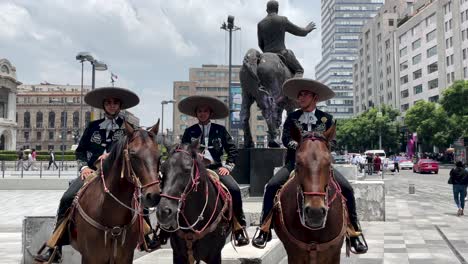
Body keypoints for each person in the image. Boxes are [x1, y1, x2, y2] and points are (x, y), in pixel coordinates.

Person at [34, 87, 163, 263]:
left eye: (115, 102)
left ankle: (145, 236)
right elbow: (80, 152)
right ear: (104, 105)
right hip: (92, 173)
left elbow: (136, 150)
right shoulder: (93, 126)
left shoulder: (129, 130)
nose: (111, 105)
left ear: (120, 106)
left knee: (140, 197)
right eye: (108, 102)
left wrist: (112, 157)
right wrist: (83, 168)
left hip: (118, 175)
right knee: (68, 197)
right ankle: (55, 246)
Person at [251, 78, 368, 254]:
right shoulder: (292, 118)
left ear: (315, 98)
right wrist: (297, 146)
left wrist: (321, 146)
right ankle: (264, 228)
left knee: (347, 189)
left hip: (321, 166)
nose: (301, 97)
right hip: (296, 163)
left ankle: (354, 231)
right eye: (299, 95)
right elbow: (286, 138)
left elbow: (333, 141)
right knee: (272, 186)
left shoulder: (327, 119)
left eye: (304, 94)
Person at [178, 95, 249, 246]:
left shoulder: (220, 130)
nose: (202, 113)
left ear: (210, 113)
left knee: (234, 189)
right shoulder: (189, 131)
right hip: (194, 169)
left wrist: (227, 166)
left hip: (215, 168)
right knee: (174, 189)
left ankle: (239, 227)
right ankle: (166, 228)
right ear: (196, 114)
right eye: (199, 111)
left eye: (205, 111)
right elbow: (182, 151)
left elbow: (232, 150)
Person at [257, 0, 316, 78]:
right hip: (282, 53)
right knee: (299, 70)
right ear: (277, 9)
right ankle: (293, 86)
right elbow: (299, 32)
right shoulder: (282, 20)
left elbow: (260, 44)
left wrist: (266, 53)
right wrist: (306, 30)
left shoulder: (260, 24)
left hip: (265, 54)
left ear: (267, 10)